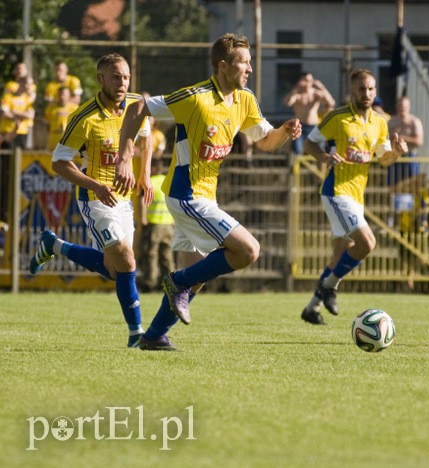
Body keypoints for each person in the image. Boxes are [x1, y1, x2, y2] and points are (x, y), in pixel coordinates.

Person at [114, 33, 301, 351]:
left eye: (251, 63)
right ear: (223, 65)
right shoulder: (195, 97)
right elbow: (137, 109)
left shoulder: (244, 101)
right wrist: (123, 158)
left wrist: (284, 132)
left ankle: (154, 335)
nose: (250, 69)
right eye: (244, 63)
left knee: (196, 277)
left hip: (204, 196)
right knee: (248, 251)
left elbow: (265, 140)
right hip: (185, 194)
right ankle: (177, 283)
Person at [28, 53, 154, 348]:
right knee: (125, 257)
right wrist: (95, 186)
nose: (121, 83)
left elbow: (146, 136)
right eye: (115, 77)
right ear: (100, 80)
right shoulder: (84, 117)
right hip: (95, 199)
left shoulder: (136, 106)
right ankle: (137, 335)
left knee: (115, 271)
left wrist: (145, 174)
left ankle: (54, 245)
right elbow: (59, 162)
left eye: (125, 77)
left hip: (124, 199)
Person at [300, 69, 407, 325]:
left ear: (376, 91)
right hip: (336, 192)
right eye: (362, 89)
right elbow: (309, 144)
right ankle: (330, 286)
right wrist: (324, 157)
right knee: (367, 243)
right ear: (353, 91)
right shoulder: (338, 118)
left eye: (371, 89)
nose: (366, 93)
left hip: (356, 196)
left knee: (340, 255)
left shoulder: (379, 123)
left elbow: (384, 160)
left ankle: (311, 307)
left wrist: (398, 152)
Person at [136, 157, 175, 291]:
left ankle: (150, 282)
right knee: (167, 254)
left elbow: (142, 201)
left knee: (150, 253)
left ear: (151, 168)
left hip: (153, 223)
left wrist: (142, 219)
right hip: (169, 224)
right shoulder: (168, 181)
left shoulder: (149, 182)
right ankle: (170, 283)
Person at [283, 72, 335, 154]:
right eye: (306, 80)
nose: (308, 83)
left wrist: (322, 87)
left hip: (313, 126)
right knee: (297, 151)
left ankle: (320, 167)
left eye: (311, 80)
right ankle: (295, 166)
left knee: (321, 151)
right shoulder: (297, 94)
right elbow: (287, 102)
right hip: (300, 127)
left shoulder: (315, 93)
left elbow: (331, 103)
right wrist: (296, 88)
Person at [1, 75, 36, 149]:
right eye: (27, 84)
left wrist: (13, 111)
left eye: (31, 84)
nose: (29, 86)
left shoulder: (28, 99)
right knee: (6, 159)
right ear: (20, 83)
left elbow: (30, 115)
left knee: (19, 158)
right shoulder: (8, 97)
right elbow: (4, 113)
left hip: (22, 133)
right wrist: (22, 114)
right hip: (7, 132)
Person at [43, 86, 78, 151]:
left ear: (69, 96)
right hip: (54, 140)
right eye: (60, 94)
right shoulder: (50, 108)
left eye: (64, 94)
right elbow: (47, 125)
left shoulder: (75, 109)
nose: (61, 96)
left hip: (69, 141)